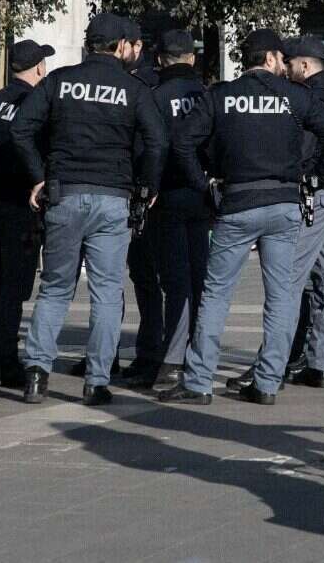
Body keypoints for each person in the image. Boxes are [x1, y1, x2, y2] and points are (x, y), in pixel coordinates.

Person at [157, 29, 324, 406]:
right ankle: (267, 383)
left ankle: (198, 383)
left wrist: (203, 184)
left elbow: (181, 141)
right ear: (273, 58)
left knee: (216, 294)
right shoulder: (294, 96)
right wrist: (314, 176)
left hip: (236, 201)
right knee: (280, 297)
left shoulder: (220, 96)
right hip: (283, 203)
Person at [12, 13, 167, 406]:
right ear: (119, 47)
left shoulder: (59, 81)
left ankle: (35, 373)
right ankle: (97, 381)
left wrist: (37, 176)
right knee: (107, 293)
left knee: (55, 290)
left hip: (63, 193)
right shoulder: (132, 88)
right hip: (113, 197)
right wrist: (147, 187)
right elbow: (158, 141)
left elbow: (21, 129)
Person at [227, 35, 324, 391]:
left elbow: (307, 148)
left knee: (287, 283)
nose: (286, 70)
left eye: (289, 64)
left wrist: (317, 174)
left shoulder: (311, 99)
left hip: (315, 196)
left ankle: (269, 369)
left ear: (304, 66)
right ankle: (318, 363)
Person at [122, 29, 211, 390]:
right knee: (199, 281)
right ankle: (195, 354)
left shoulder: (153, 96)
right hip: (201, 196)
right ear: (192, 58)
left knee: (171, 281)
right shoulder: (207, 96)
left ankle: (168, 360)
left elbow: (142, 149)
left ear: (159, 60)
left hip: (164, 198)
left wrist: (145, 190)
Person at [0, 39, 54, 388]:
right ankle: (4, 362)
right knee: (14, 288)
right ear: (38, 68)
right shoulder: (33, 103)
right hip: (20, 205)